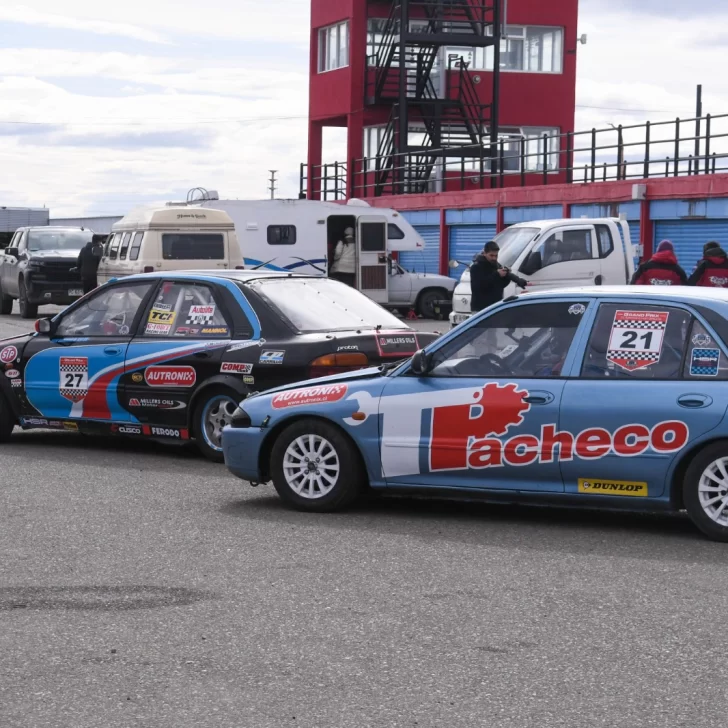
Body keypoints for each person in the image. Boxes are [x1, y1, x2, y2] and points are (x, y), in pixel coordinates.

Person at [469, 240, 528, 313]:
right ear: (484, 253)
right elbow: (479, 287)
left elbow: (499, 285)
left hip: (495, 307)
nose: (494, 258)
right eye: (491, 255)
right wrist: (497, 274)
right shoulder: (476, 267)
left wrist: (513, 278)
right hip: (480, 309)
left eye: (496, 255)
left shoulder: (496, 265)